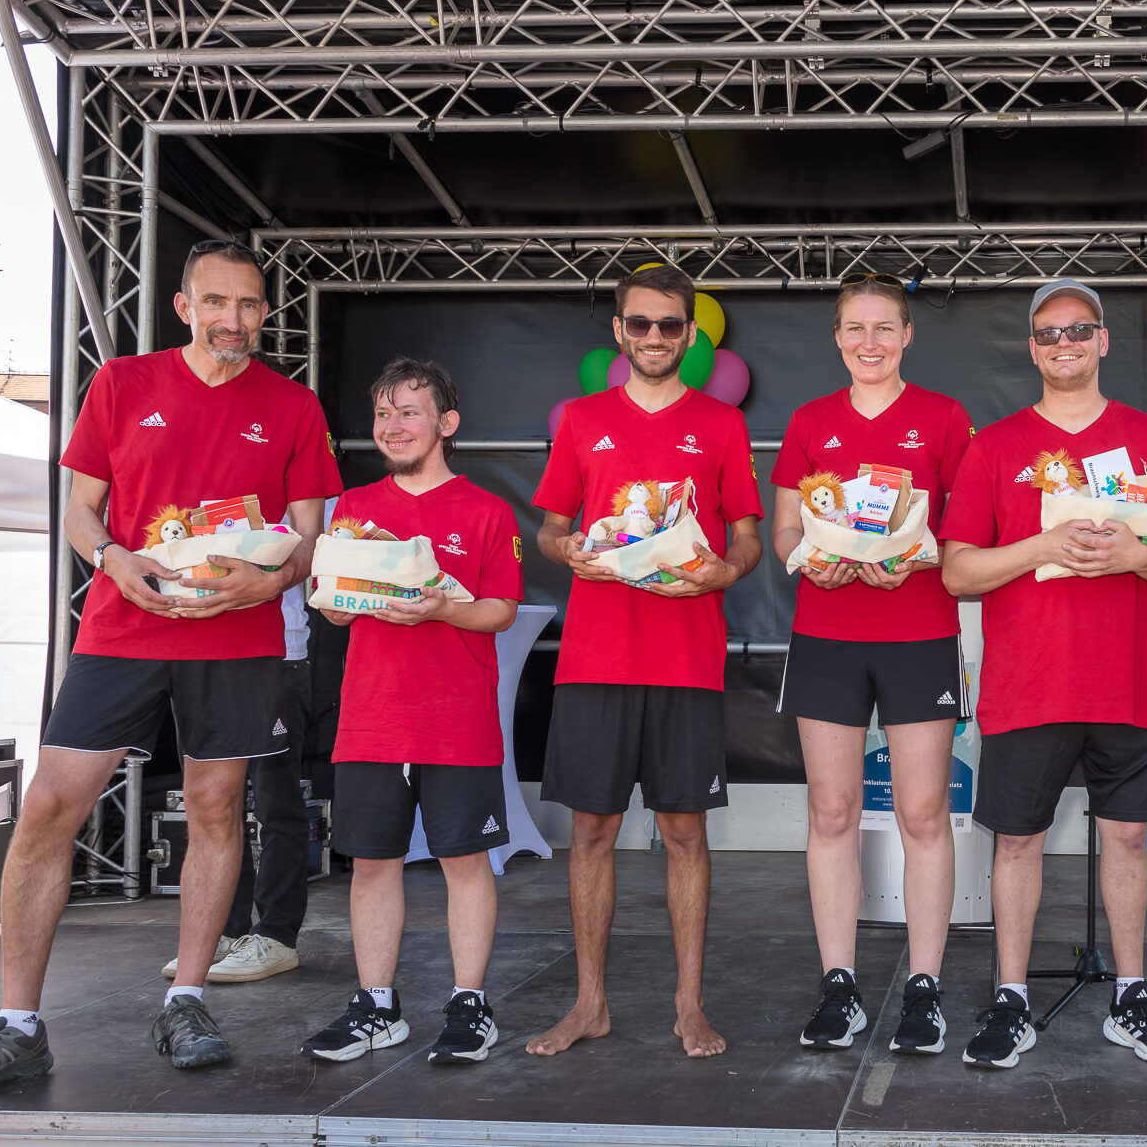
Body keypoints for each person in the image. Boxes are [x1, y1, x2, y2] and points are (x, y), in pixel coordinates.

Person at [0, 241, 340, 1100]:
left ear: (265, 313)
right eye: (216, 302)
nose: (234, 319)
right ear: (184, 306)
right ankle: (18, 1026)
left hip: (238, 636)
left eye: (250, 305)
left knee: (217, 810)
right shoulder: (122, 385)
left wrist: (270, 577)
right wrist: (112, 559)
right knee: (45, 810)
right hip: (121, 628)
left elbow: (309, 534)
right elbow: (80, 510)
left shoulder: (293, 405)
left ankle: (187, 998)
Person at [940, 279, 1147, 1069]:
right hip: (1028, 684)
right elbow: (956, 570)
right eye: (1049, 334)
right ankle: (1011, 1000)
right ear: (1032, 348)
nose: (1064, 345)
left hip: (1125, 681)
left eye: (1078, 331)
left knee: (1127, 837)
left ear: (1103, 341)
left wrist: (1137, 555)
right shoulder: (995, 446)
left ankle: (1131, 996)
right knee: (1016, 843)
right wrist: (1041, 549)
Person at [528, 264, 762, 1061]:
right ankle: (590, 1002)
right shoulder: (583, 420)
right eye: (641, 324)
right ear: (619, 331)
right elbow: (551, 529)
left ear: (690, 334)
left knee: (684, 831)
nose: (656, 337)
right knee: (590, 830)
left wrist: (723, 572)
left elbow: (749, 537)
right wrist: (569, 551)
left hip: (686, 657)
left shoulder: (721, 424)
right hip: (595, 656)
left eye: (670, 325)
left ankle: (687, 1005)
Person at [769, 276, 973, 1054]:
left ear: (908, 335)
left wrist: (916, 559)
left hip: (919, 630)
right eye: (855, 328)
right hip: (828, 631)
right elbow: (788, 527)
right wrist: (806, 562)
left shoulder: (945, 417)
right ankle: (839, 985)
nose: (869, 341)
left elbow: (964, 525)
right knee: (832, 812)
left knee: (924, 813)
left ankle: (925, 985)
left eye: (884, 327)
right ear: (837, 336)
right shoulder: (810, 420)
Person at [302, 358, 520, 1065]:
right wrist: (334, 600)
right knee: (372, 864)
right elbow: (332, 604)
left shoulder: (487, 510)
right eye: (383, 414)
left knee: (465, 862)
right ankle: (377, 1006)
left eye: (409, 412)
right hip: (370, 718)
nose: (393, 426)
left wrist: (444, 606)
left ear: (446, 424)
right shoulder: (355, 507)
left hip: (457, 719)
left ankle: (469, 1005)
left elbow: (499, 610)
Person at [160, 581, 319, 986]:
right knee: (214, 804)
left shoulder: (309, 513)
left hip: (279, 653)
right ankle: (224, 930)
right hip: (206, 656)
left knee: (276, 801)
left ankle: (277, 935)